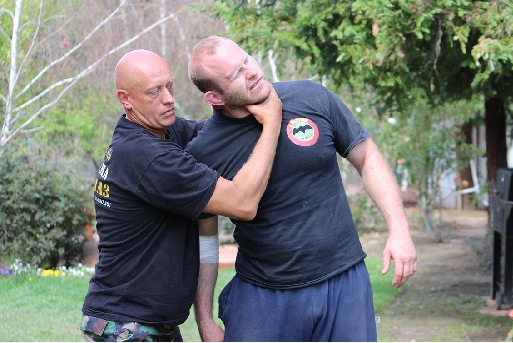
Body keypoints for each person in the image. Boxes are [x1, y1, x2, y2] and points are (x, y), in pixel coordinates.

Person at [186, 36, 417, 342]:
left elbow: (368, 157)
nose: (252, 72)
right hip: (263, 296)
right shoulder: (204, 152)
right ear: (215, 97)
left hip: (342, 281)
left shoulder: (311, 96)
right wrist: (203, 319)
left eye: (247, 60)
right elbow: (205, 237)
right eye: (235, 75)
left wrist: (399, 230)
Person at [79, 49, 282, 341]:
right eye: (154, 92)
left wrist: (233, 99)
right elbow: (243, 203)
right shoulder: (145, 155)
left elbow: (217, 138)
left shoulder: (165, 132)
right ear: (125, 99)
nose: (168, 99)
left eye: (169, 86)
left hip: (149, 323)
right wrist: (272, 121)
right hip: (126, 326)